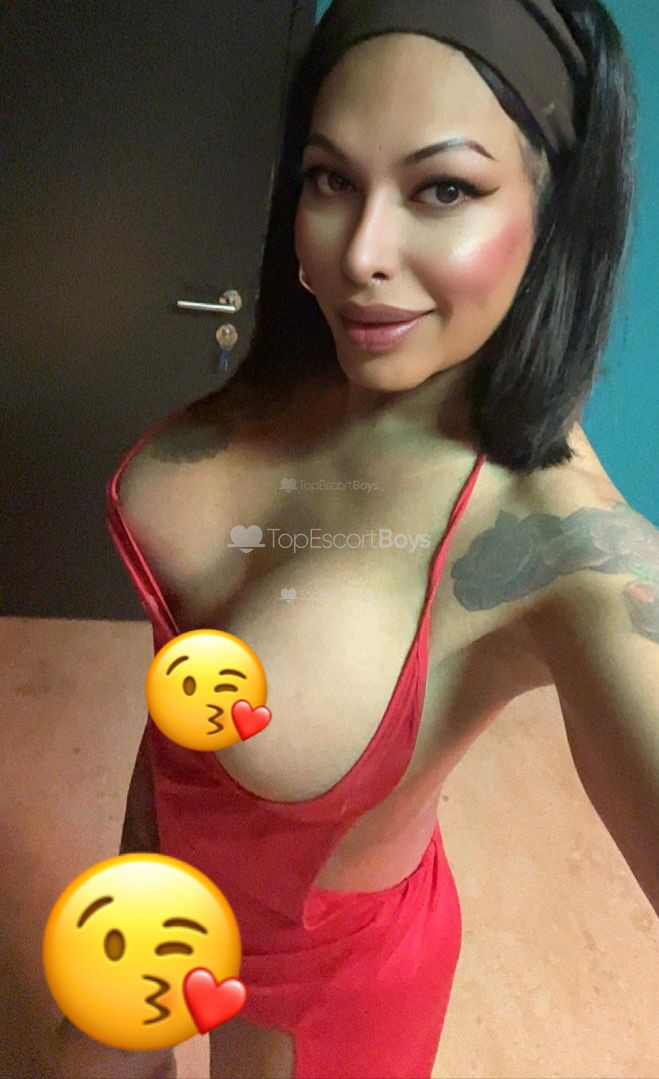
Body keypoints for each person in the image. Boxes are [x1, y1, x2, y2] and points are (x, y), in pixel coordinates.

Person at [55, 2, 657, 1077]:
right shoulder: (303, 370)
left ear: (555, 207)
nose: (358, 254)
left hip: (330, 1002)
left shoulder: (559, 544)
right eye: (331, 179)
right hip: (159, 897)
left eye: (443, 189)